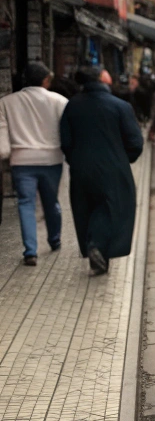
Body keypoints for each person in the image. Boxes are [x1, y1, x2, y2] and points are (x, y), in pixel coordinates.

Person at [59, 64, 144, 275]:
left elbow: (65, 141)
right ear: (101, 78)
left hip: (80, 168)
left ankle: (99, 255)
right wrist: (124, 160)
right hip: (113, 169)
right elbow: (135, 142)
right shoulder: (120, 106)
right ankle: (96, 245)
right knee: (110, 208)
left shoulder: (72, 105)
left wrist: (75, 160)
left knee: (87, 208)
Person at [0, 62, 68, 265]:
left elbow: (2, 132)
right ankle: (54, 239)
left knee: (25, 204)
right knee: (51, 202)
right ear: (46, 80)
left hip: (21, 161)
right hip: (52, 160)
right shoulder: (60, 101)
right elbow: (66, 131)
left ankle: (30, 251)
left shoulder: (6, 102)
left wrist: (5, 153)